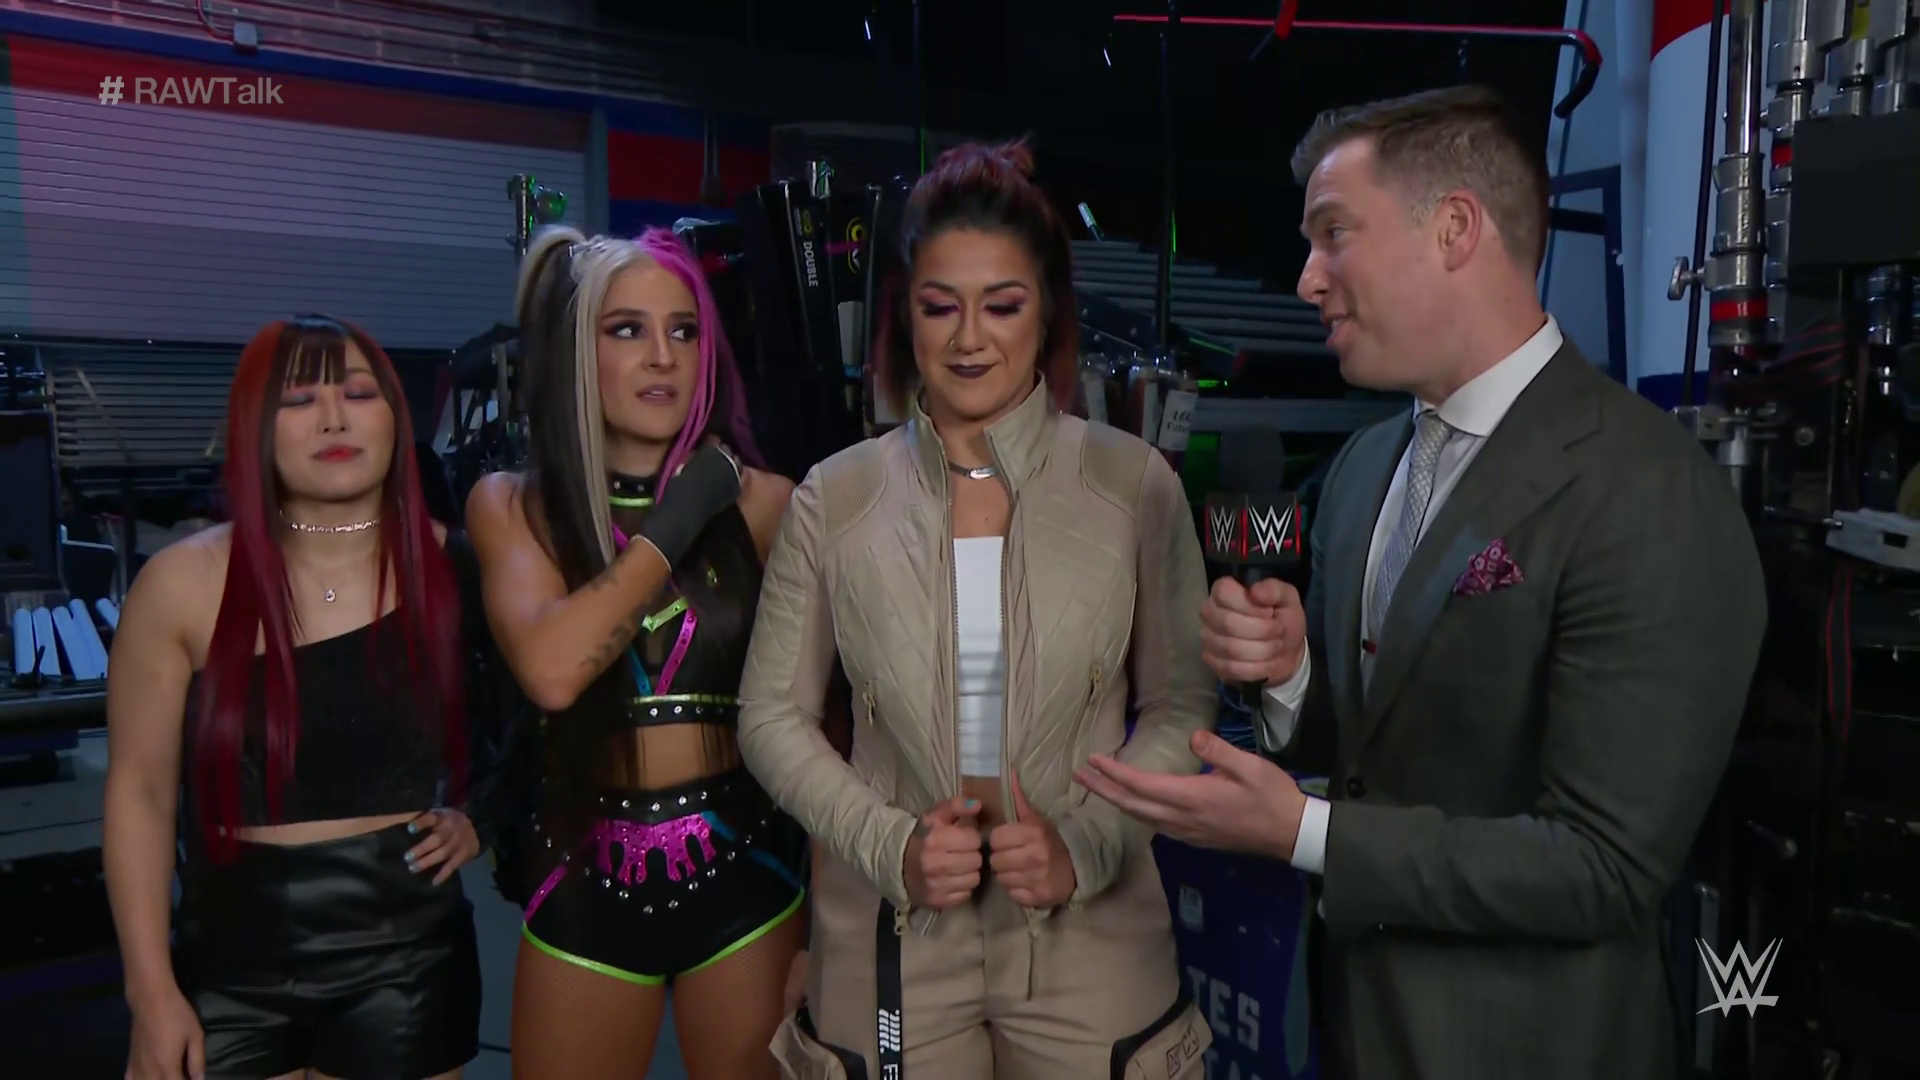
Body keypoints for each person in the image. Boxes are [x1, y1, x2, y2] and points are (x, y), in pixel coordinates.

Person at [1076, 85, 1768, 1080]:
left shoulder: (1647, 491)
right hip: (1356, 1033)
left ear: (1454, 230)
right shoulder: (1365, 468)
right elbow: (1370, 754)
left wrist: (1304, 833)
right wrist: (1289, 675)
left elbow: (1603, 869)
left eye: (1333, 234)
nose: (1307, 279)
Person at [737, 140, 1217, 1079]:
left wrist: (1085, 846)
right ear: (904, 317)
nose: (969, 339)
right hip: (896, 925)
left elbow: (1182, 706)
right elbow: (769, 715)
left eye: (1002, 305)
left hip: (1090, 929)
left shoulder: (1134, 486)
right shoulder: (835, 497)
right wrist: (892, 846)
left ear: (1048, 315)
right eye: (939, 306)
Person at [104, 315, 484, 1080]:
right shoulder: (179, 584)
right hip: (228, 958)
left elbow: (546, 714)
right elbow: (139, 791)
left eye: (358, 393)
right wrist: (150, 993)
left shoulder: (456, 567)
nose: (334, 419)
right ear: (255, 426)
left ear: (394, 418)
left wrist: (486, 815)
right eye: (299, 400)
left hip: (406, 957)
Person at [467, 225, 802, 1079]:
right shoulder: (514, 508)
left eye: (683, 331)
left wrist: (835, 921)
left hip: (748, 870)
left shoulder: (770, 505)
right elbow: (552, 671)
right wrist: (684, 513)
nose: (662, 356)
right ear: (576, 353)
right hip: (581, 873)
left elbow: (831, 723)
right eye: (627, 330)